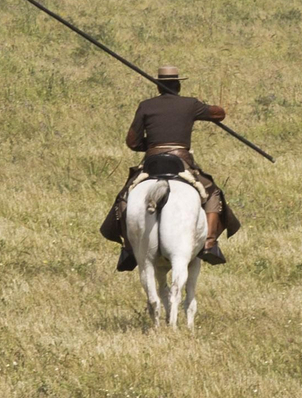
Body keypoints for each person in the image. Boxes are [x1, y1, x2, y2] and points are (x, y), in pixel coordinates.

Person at [100, 64, 240, 270]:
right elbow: (219, 114)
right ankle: (210, 243)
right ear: (178, 85)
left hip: (152, 161)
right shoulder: (190, 104)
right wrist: (206, 110)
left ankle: (129, 248)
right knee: (213, 193)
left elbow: (132, 142)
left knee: (124, 197)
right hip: (181, 161)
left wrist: (152, 145)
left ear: (158, 87)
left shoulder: (146, 105)